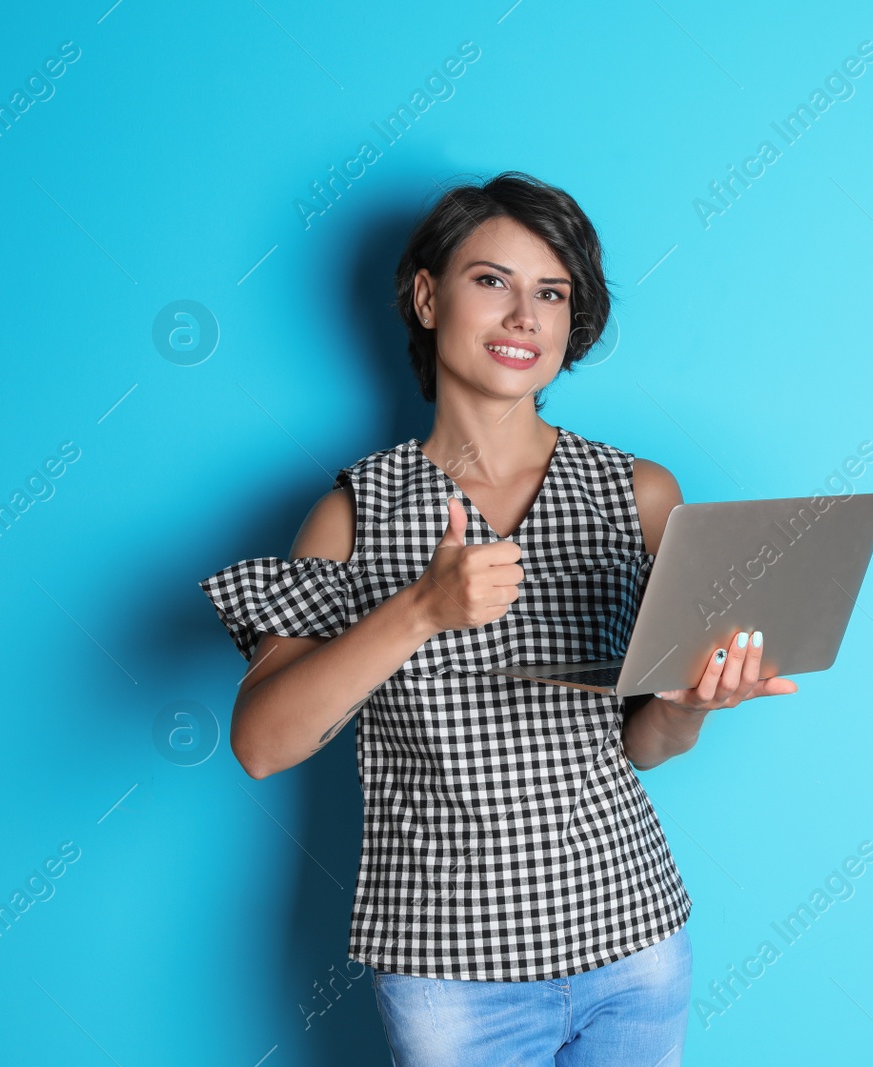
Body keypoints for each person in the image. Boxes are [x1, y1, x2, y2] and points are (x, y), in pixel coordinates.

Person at [198, 170, 797, 1066]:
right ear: (428, 296)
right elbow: (262, 743)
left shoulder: (637, 493)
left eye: (551, 293)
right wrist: (419, 609)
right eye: (493, 281)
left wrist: (693, 704)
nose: (524, 315)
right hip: (450, 972)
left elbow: (642, 742)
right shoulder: (354, 514)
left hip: (631, 934)